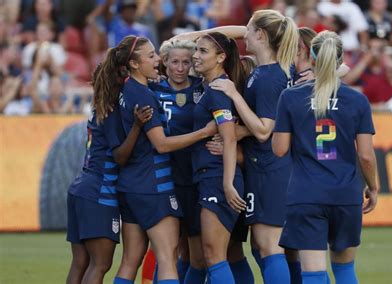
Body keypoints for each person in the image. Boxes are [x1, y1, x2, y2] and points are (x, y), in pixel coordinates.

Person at [272, 30, 378, 284]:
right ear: (340, 60)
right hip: (345, 193)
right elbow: (365, 156)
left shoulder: (291, 97)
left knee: (313, 273)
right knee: (344, 270)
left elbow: (279, 149)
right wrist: (373, 187)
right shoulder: (357, 100)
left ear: (311, 57)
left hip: (306, 193)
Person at [113, 35, 216, 284]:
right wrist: (205, 132)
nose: (178, 67)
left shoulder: (201, 89)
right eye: (170, 61)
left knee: (135, 259)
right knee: (168, 255)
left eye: (185, 62)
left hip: (165, 181)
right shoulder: (149, 92)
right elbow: (161, 144)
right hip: (157, 183)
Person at [208, 10, 299, 284]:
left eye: (248, 29)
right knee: (264, 247)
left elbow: (263, 130)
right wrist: (233, 132)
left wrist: (233, 94)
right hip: (265, 167)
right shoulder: (270, 71)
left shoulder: (269, 77)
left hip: (270, 167)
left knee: (269, 244)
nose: (243, 34)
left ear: (260, 34)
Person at [66, 47, 153, 284]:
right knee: (100, 264)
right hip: (99, 192)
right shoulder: (113, 110)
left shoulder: (100, 106)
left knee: (80, 263)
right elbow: (120, 157)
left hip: (81, 187)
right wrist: (137, 126)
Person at [190, 31, 247, 283]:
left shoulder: (218, 91)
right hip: (208, 176)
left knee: (214, 255)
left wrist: (227, 182)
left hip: (217, 178)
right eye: (196, 50)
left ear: (221, 57)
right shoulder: (207, 87)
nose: (195, 56)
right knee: (220, 254)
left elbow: (229, 137)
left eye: (203, 51)